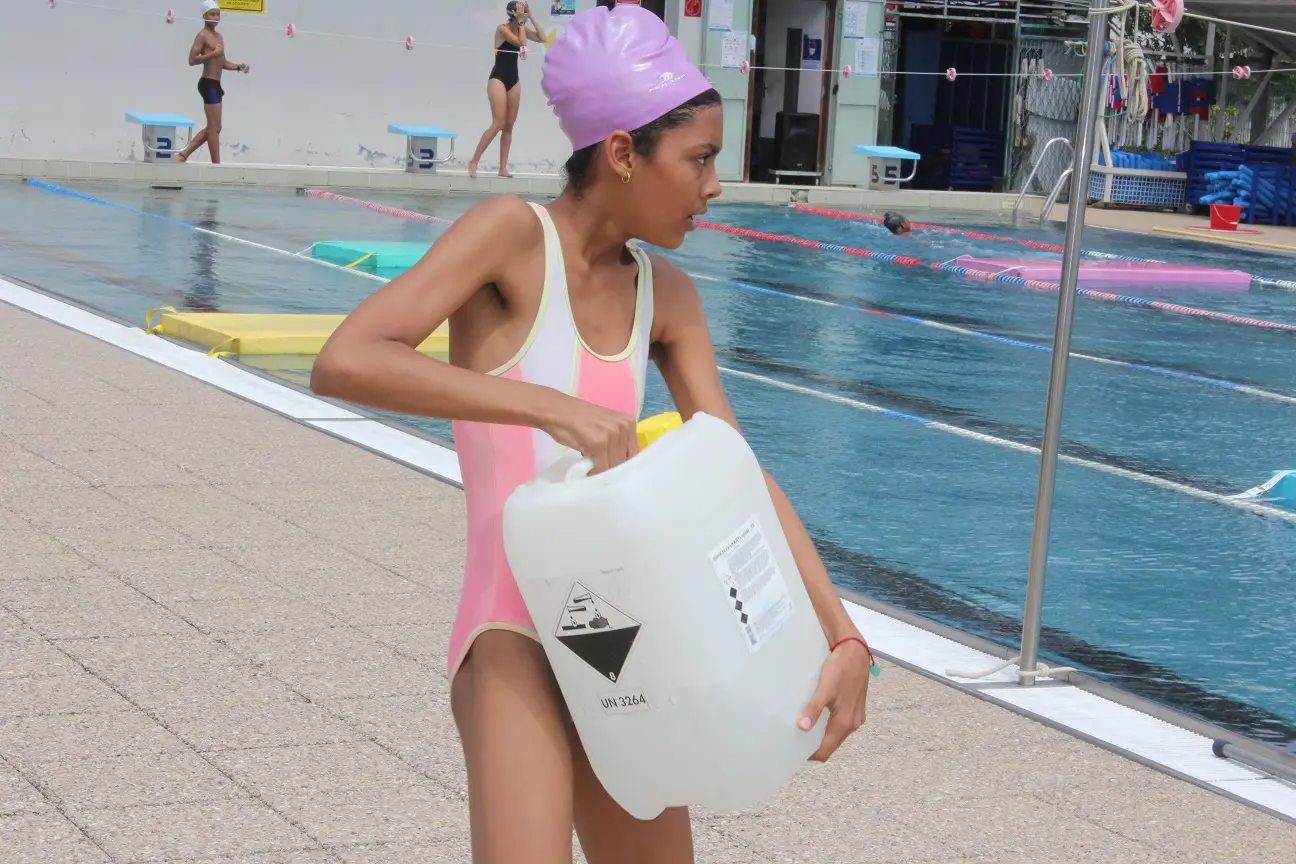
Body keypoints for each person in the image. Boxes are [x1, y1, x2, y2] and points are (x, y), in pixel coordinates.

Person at [310, 7, 872, 862]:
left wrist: (844, 635)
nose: (715, 185)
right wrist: (549, 407)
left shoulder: (667, 296)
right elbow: (346, 359)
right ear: (622, 153)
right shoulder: (510, 238)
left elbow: (739, 478)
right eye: (700, 159)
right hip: (513, 632)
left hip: (622, 639)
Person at [466, 1, 548, 179]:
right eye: (521, 14)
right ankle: (474, 161)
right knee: (498, 123)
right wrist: (521, 22)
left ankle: (502, 168)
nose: (524, 19)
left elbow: (543, 38)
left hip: (513, 80)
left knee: (509, 125)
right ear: (514, 15)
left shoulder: (521, 29)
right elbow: (521, 44)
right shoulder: (502, 29)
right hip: (498, 78)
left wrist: (531, 16)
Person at [177, 0, 250, 165]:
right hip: (208, 84)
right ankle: (215, 165)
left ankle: (183, 156)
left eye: (218, 14)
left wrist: (239, 67)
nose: (216, 17)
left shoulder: (219, 37)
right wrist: (212, 54)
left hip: (215, 85)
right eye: (212, 14)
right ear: (204, 16)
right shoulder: (202, 35)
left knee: (215, 127)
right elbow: (192, 60)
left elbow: (222, 62)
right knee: (214, 127)